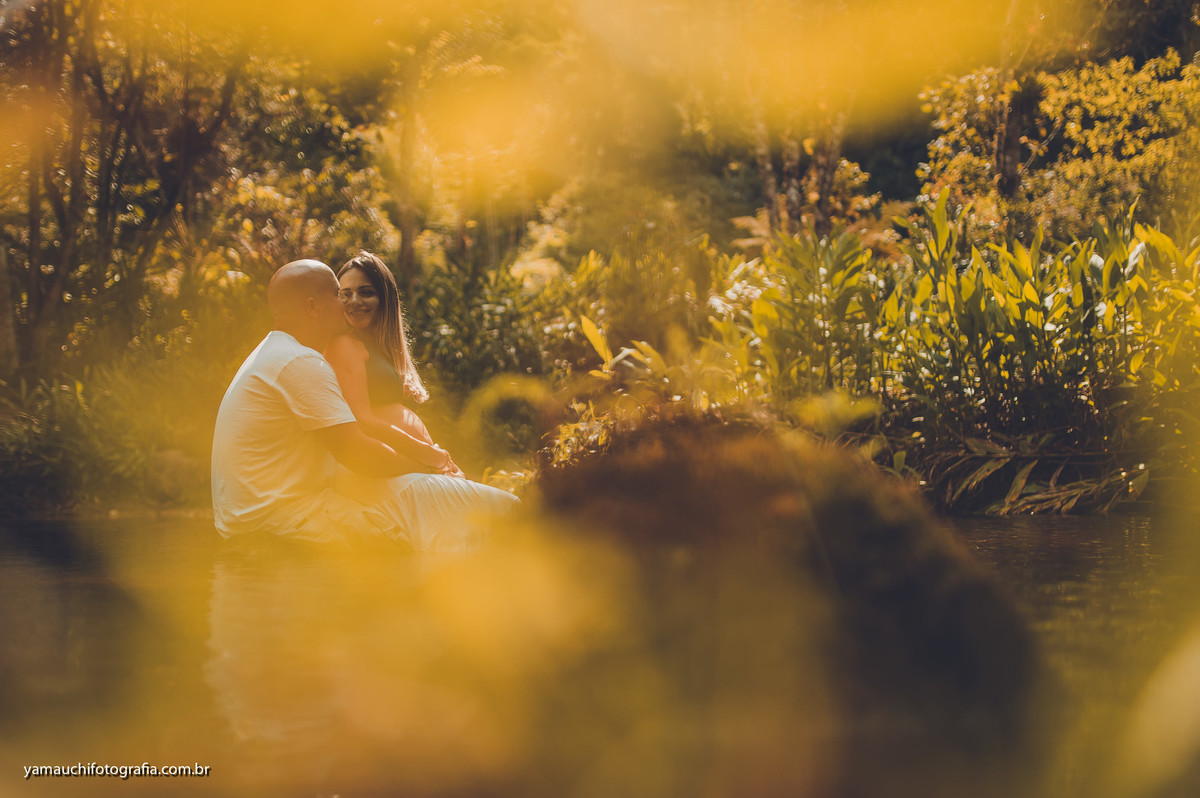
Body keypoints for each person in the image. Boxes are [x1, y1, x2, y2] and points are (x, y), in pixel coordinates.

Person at [211, 259, 421, 544]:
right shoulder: (299, 361)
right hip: (278, 522)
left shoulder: (276, 351)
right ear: (312, 307)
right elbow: (357, 454)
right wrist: (425, 464)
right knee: (405, 537)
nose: (345, 304)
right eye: (338, 294)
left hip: (258, 518)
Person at [324, 251, 518, 552]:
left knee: (481, 525)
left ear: (384, 298)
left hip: (399, 468)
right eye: (345, 294)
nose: (354, 302)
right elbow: (363, 420)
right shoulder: (344, 345)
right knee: (507, 507)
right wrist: (431, 457)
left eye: (366, 292)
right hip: (374, 473)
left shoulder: (376, 347)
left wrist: (428, 458)